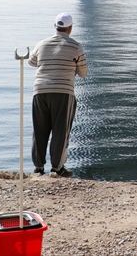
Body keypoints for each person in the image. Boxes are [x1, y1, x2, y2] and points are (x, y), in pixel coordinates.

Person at [30, 13, 87, 177]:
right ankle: (57, 168)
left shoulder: (42, 44)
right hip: (63, 92)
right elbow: (83, 72)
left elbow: (32, 62)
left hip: (40, 91)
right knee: (61, 130)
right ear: (70, 28)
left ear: (55, 27)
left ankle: (38, 168)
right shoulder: (75, 46)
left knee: (39, 130)